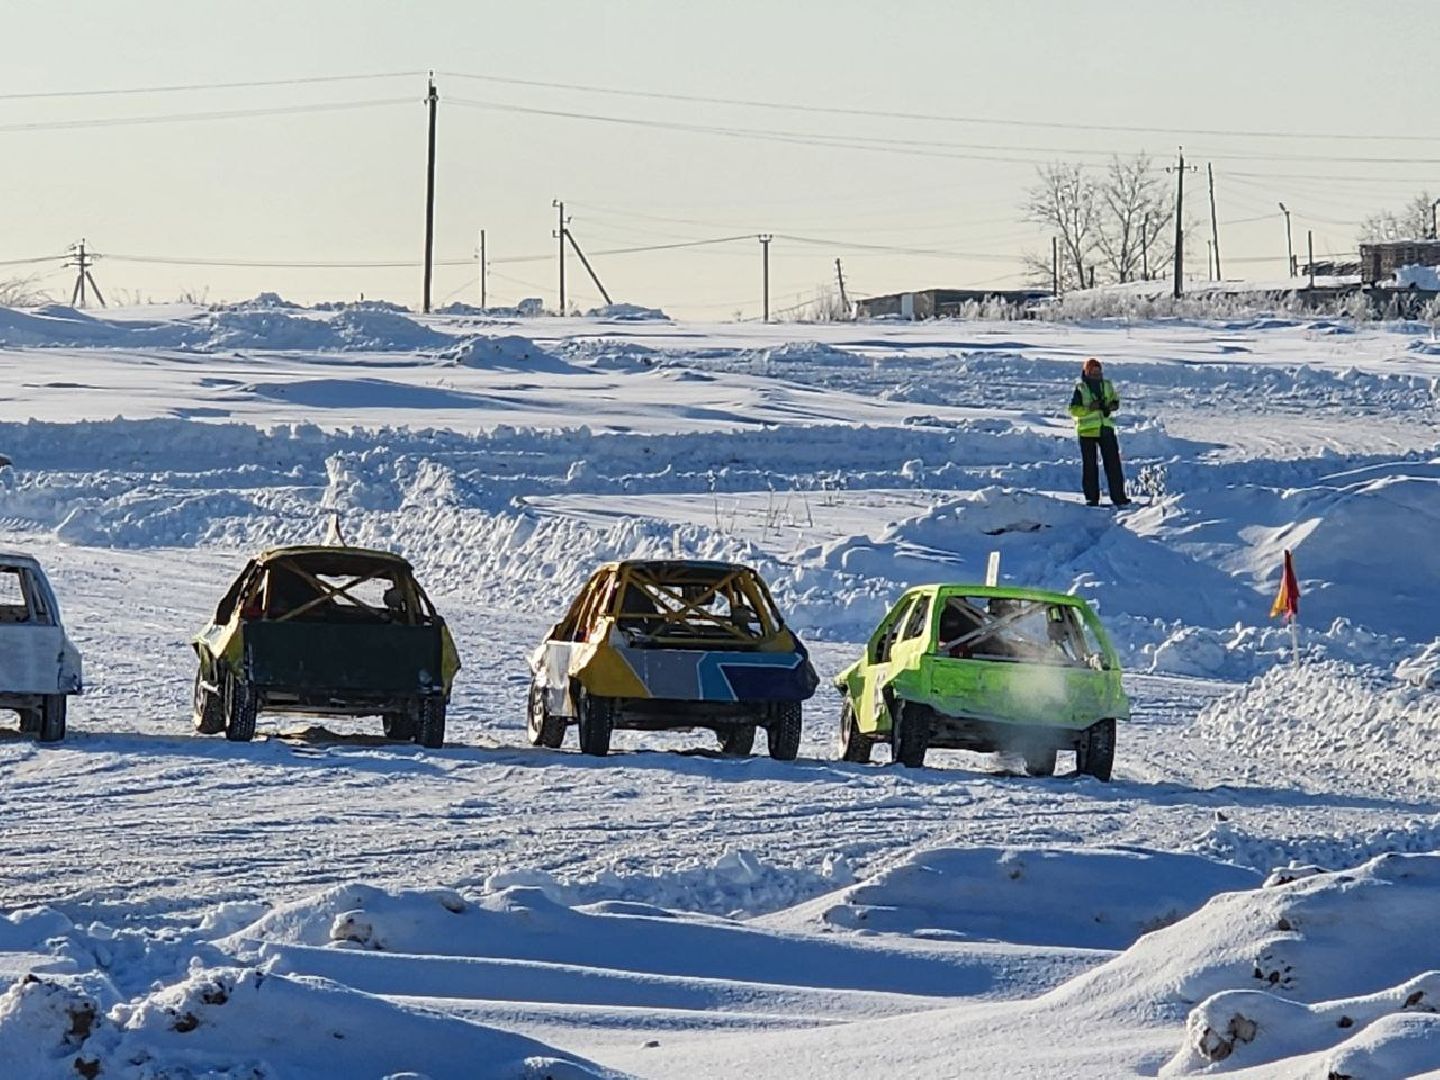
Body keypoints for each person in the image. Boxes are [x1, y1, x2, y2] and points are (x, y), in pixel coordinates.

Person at [1068, 357, 1130, 508]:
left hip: (1105, 428)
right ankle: (1092, 498)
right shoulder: (1081, 388)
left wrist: (1113, 405)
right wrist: (1090, 408)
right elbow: (1073, 410)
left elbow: (1115, 400)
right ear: (1087, 372)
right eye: (1093, 372)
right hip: (1087, 432)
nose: (1097, 375)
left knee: (1114, 465)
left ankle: (1119, 497)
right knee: (1090, 467)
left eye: (1098, 372)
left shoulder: (1107, 385)